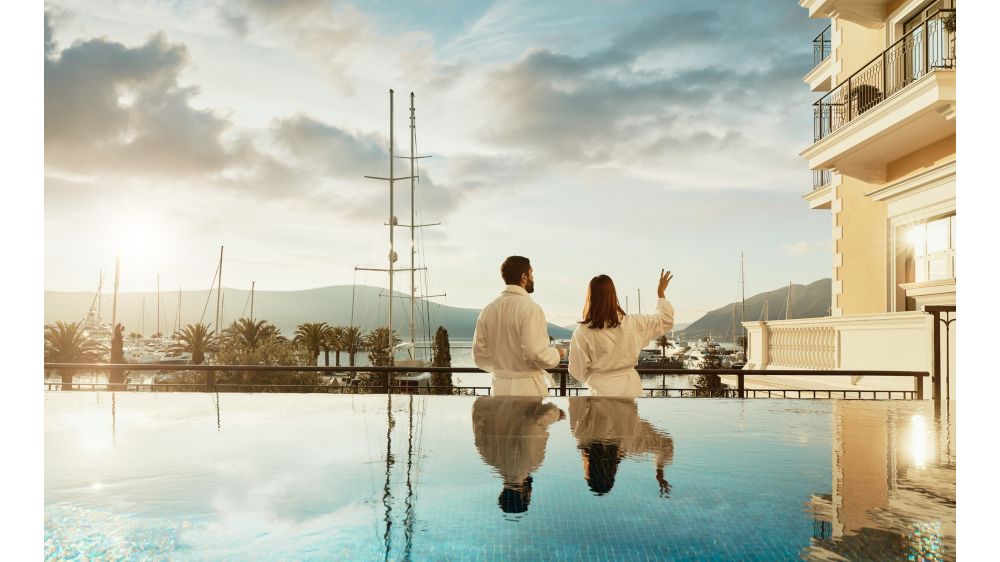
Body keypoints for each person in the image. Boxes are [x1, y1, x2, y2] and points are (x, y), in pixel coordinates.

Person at [568, 270, 675, 398]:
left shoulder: (583, 330)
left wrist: (595, 377)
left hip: (601, 393)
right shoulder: (634, 323)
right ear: (613, 295)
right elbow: (665, 320)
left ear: (590, 297)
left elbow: (576, 369)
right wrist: (660, 293)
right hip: (630, 390)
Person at [473, 256, 565, 396]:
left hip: (498, 389)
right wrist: (557, 353)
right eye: (531, 274)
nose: (533, 278)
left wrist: (503, 367)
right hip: (527, 391)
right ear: (523, 277)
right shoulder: (530, 309)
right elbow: (535, 353)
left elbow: (479, 356)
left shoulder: (487, 311)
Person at [471, 397, 565, 514]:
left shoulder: (531, 464)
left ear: (524, 495)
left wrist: (555, 414)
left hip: (527, 391)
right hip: (501, 386)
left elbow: (533, 425)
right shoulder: (486, 456)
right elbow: (478, 410)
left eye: (529, 497)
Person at [568, 397, 674, 497]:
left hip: (627, 383)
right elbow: (575, 398)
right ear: (589, 468)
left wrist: (659, 471)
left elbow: (667, 445)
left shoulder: (631, 443)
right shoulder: (580, 434)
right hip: (598, 380)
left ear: (613, 471)